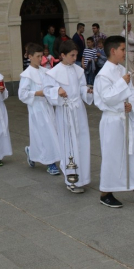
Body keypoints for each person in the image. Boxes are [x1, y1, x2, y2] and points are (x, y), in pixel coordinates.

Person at [94, 36, 134, 208]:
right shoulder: (103, 75)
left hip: (126, 119)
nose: (125, 52)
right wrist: (122, 84)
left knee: (133, 154)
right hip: (113, 120)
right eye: (123, 49)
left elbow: (132, 92)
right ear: (113, 51)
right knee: (112, 156)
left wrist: (131, 104)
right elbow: (106, 98)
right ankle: (106, 192)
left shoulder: (122, 70)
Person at [43, 40, 93, 193]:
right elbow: (47, 89)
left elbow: (82, 87)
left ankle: (82, 177)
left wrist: (87, 91)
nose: (74, 58)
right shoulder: (53, 72)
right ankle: (72, 179)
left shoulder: (78, 70)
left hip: (78, 110)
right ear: (62, 55)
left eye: (76, 55)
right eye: (72, 55)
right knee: (69, 144)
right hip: (65, 110)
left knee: (82, 142)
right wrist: (57, 90)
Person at [19, 43, 61, 175]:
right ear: (30, 57)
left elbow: (52, 86)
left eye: (41, 56)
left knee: (50, 133)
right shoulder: (26, 75)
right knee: (45, 134)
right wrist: (37, 93)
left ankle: (32, 152)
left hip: (47, 107)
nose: (40, 59)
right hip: (36, 108)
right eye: (37, 56)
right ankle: (51, 163)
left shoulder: (45, 71)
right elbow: (22, 94)